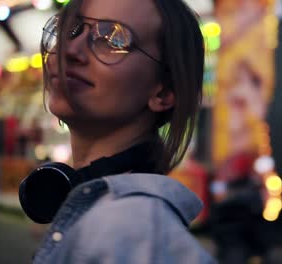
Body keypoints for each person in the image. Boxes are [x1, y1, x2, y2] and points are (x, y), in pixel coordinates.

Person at [19, 0, 216, 263]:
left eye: (114, 40)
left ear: (163, 93)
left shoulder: (136, 228)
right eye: (71, 30)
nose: (69, 50)